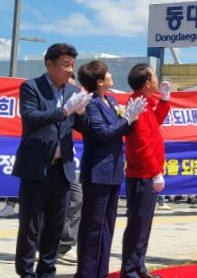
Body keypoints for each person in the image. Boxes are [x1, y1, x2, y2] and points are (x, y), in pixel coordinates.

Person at [13, 44, 90, 278]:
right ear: (49, 64)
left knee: (56, 226)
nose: (70, 70)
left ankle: (47, 271)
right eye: (65, 65)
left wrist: (82, 114)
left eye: (72, 65)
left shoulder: (73, 91)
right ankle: (26, 273)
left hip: (62, 169)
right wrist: (63, 111)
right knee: (30, 225)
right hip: (36, 167)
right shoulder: (31, 87)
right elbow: (31, 117)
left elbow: (82, 128)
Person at [75, 60, 146, 278]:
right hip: (97, 171)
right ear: (99, 81)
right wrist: (126, 120)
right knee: (93, 225)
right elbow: (103, 132)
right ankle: (86, 273)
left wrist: (130, 119)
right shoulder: (92, 103)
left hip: (113, 170)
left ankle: (101, 272)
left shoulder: (111, 100)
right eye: (107, 74)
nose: (111, 75)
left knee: (107, 225)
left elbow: (122, 130)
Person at [119, 64, 171, 278]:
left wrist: (164, 101)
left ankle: (138, 267)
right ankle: (130, 270)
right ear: (147, 83)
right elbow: (141, 144)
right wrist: (154, 172)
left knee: (144, 225)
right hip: (142, 175)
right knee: (138, 225)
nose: (158, 80)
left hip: (146, 174)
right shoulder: (137, 104)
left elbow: (156, 121)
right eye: (154, 77)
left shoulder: (146, 103)